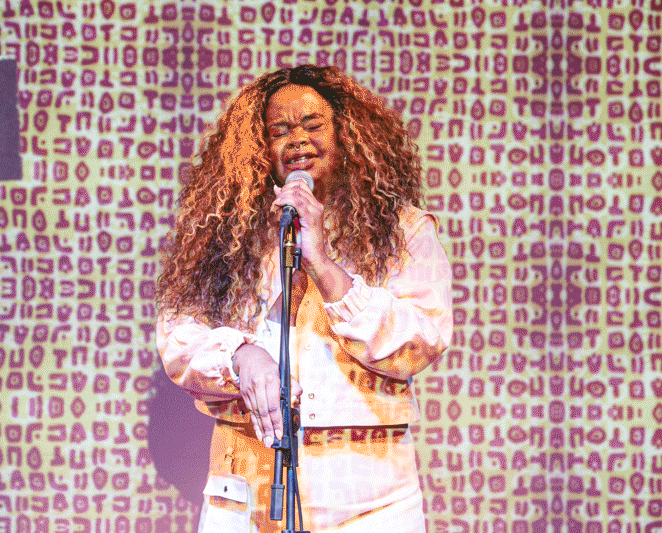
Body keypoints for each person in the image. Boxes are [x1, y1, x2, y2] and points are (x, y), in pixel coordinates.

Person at [155, 65, 452, 532]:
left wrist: (324, 265)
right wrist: (240, 355)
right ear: (260, 146)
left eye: (313, 125)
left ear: (346, 134)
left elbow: (420, 340)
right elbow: (177, 336)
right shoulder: (225, 231)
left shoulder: (403, 231)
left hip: (372, 504)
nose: (297, 140)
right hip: (245, 498)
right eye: (280, 131)